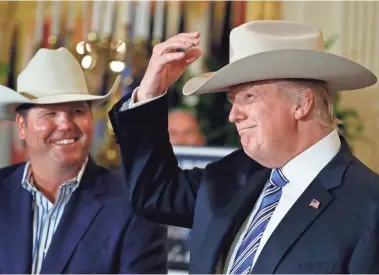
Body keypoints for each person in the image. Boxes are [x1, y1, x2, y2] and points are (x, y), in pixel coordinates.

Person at [109, 20, 379, 273]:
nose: (233, 115)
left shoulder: (369, 206)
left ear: (302, 103)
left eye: (249, 96)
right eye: (232, 100)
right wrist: (148, 95)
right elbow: (154, 193)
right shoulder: (230, 178)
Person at [0, 47, 168, 274]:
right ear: (22, 126)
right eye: (50, 113)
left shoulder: (134, 208)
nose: (65, 124)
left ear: (91, 119)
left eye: (76, 111)